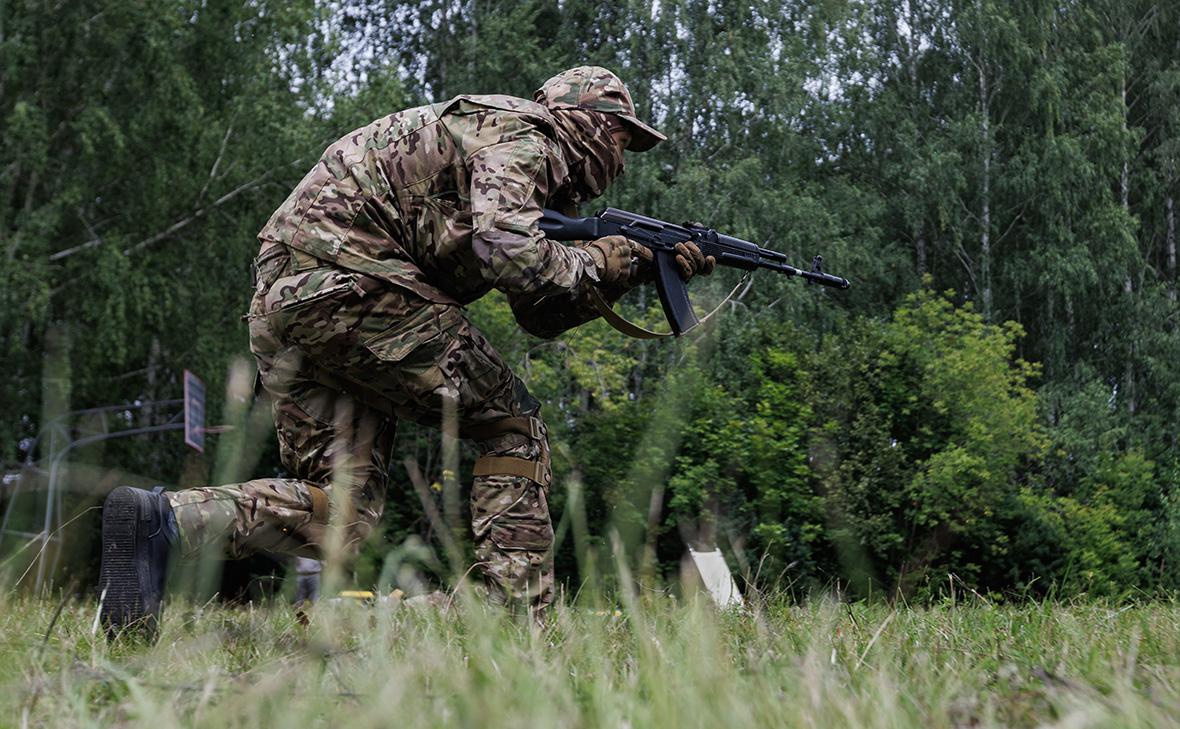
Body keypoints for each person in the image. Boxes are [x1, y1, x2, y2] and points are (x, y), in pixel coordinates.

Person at [98, 66, 715, 636]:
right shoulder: (526, 135)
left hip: (291, 295)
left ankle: (163, 522)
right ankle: (515, 611)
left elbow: (538, 313)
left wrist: (623, 273)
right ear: (584, 120)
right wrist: (598, 259)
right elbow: (510, 251)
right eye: (618, 138)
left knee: (343, 512)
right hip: (353, 282)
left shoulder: (517, 160)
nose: (621, 161)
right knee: (513, 427)